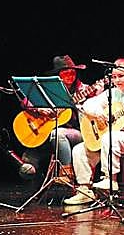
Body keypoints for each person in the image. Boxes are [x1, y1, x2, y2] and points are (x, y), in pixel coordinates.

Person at [63, 58, 124, 205]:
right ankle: (84, 190)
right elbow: (88, 105)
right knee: (79, 149)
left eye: (121, 76)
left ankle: (110, 179)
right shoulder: (112, 93)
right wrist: (100, 114)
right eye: (114, 77)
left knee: (109, 138)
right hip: (111, 140)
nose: (117, 80)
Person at [19, 55, 102, 184]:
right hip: (48, 135)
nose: (70, 75)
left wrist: (95, 96)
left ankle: (66, 173)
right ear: (58, 75)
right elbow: (26, 101)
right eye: (66, 73)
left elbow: (96, 110)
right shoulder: (50, 89)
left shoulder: (84, 90)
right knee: (27, 162)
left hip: (78, 133)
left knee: (57, 134)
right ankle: (38, 186)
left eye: (72, 72)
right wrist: (39, 109)